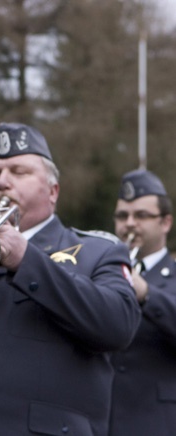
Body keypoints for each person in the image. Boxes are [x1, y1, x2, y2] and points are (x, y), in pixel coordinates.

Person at [0, 122, 141, 436]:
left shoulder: (96, 252)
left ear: (53, 191)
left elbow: (118, 326)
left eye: (19, 172)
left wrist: (27, 260)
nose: (2, 183)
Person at [109, 169, 176, 435]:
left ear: (165, 223)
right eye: (122, 216)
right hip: (103, 420)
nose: (130, 224)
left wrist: (146, 293)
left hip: (156, 421)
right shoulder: (104, 271)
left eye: (142, 215)